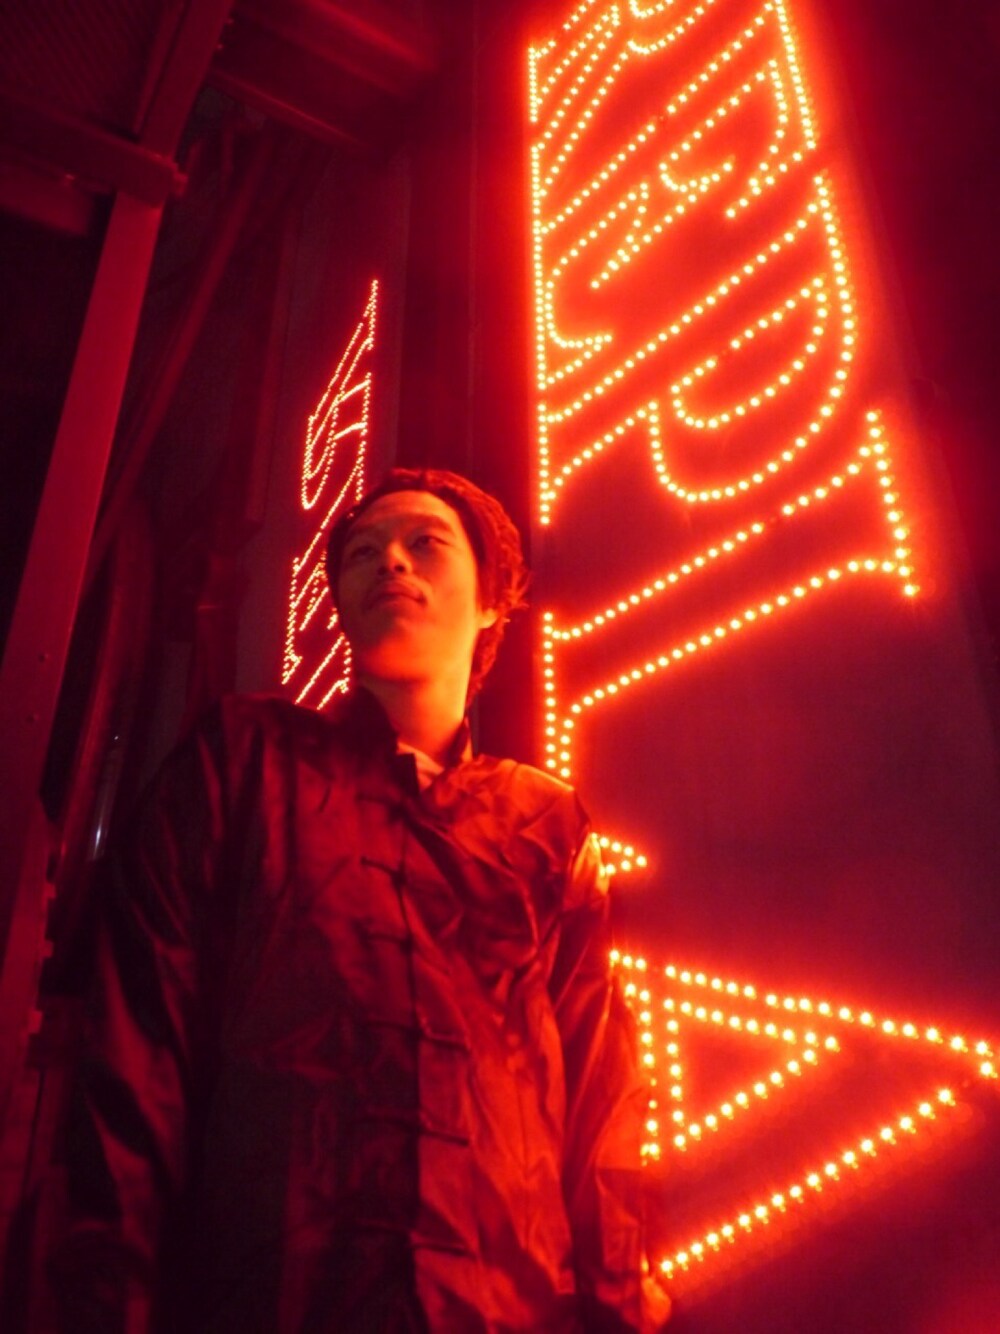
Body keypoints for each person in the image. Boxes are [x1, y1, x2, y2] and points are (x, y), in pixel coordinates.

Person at [46, 468, 670, 1331]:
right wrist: (111, 1301)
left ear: (492, 600)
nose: (391, 563)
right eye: (362, 553)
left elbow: (601, 1089)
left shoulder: (545, 825)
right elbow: (139, 1047)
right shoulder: (244, 761)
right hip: (274, 1299)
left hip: (506, 1307)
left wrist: (620, 1304)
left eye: (425, 543)